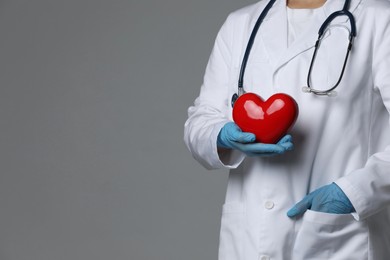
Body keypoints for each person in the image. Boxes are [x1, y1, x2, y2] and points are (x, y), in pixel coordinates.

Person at [184, 0, 390, 258]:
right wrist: (222, 135)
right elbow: (202, 118)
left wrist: (353, 192)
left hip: (339, 242)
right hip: (249, 239)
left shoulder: (379, 19)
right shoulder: (241, 24)